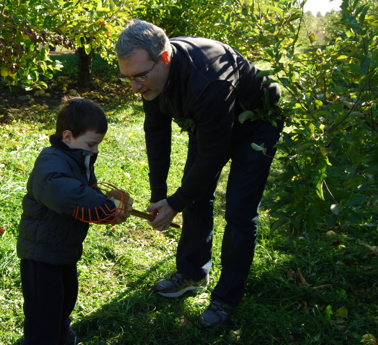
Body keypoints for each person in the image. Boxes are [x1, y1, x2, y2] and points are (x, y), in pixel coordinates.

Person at [116, 19, 283, 330]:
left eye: (140, 76)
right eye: (128, 78)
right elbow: (156, 132)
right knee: (196, 196)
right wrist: (159, 195)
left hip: (257, 125)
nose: (135, 86)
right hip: (211, 123)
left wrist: (175, 202)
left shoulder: (208, 80)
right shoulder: (151, 76)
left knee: (239, 211)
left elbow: (213, 155)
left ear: (164, 58)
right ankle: (193, 274)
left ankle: (226, 298)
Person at [17, 97, 132, 345]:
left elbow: (87, 190)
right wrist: (104, 207)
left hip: (64, 248)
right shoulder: (50, 162)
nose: (95, 150)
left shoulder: (78, 159)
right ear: (68, 136)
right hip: (41, 251)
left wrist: (106, 203)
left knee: (66, 298)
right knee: (43, 310)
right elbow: (66, 193)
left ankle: (60, 333)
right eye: (91, 144)